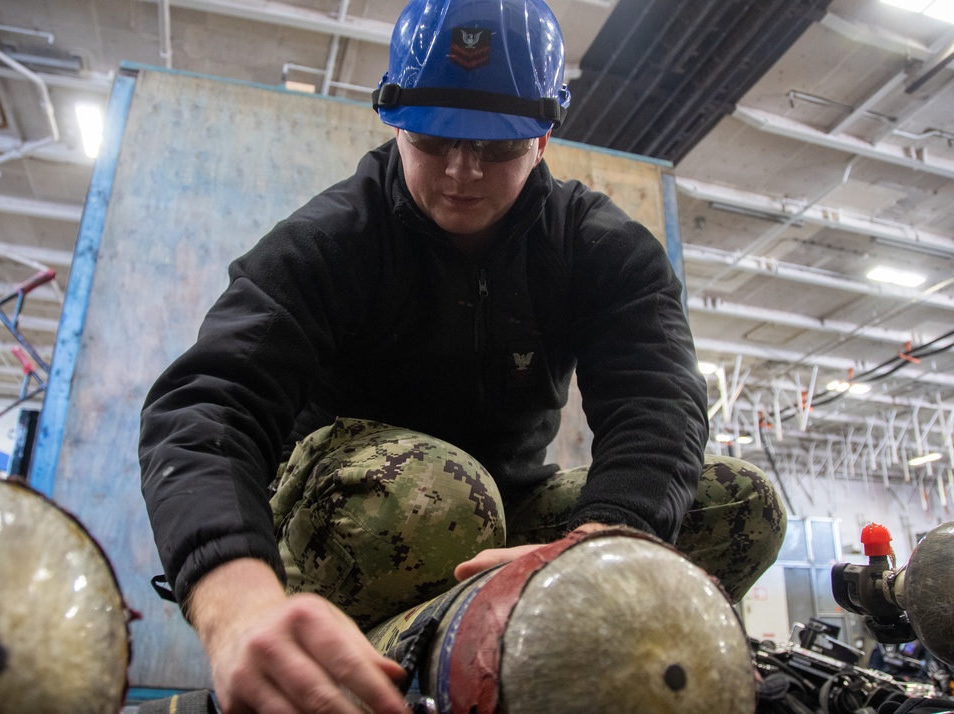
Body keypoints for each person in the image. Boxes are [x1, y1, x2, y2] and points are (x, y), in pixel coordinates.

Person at [139, 0, 787, 712]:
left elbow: (658, 399)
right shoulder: (330, 241)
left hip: (503, 519)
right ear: (393, 121)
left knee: (741, 502)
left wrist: (607, 540)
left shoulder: (600, 249)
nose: (461, 172)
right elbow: (207, 404)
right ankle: (364, 660)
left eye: (496, 148)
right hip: (352, 528)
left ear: (543, 137)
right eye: (433, 140)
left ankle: (522, 655)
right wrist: (237, 608)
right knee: (441, 494)